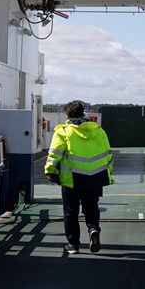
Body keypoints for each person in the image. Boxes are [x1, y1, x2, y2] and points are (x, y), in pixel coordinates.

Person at [44, 100, 114, 255]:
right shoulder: (98, 131)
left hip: (72, 179)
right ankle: (93, 229)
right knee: (91, 207)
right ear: (84, 113)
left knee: (71, 211)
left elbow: (55, 153)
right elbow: (108, 153)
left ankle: (73, 244)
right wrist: (108, 171)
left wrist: (50, 171)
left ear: (67, 114)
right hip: (95, 176)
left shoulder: (63, 131)